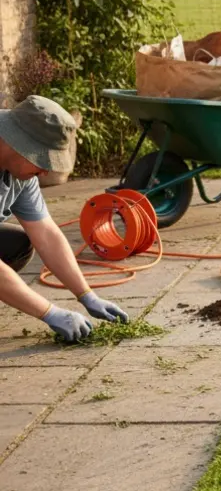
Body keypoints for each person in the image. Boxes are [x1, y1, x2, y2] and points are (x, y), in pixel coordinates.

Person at [0, 97, 129, 342]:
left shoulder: (21, 174)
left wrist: (86, 294)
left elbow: (46, 233)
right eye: (42, 159)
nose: (46, 171)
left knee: (18, 245)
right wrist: (49, 312)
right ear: (17, 143)